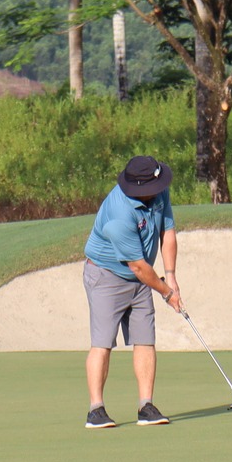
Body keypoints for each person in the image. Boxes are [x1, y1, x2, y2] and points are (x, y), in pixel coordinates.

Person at [81, 155, 182, 429]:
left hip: (141, 279)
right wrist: (166, 292)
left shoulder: (159, 191)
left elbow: (168, 233)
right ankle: (96, 410)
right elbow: (138, 267)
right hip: (106, 276)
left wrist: (170, 276)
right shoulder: (119, 214)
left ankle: (146, 406)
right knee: (102, 342)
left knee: (145, 339)